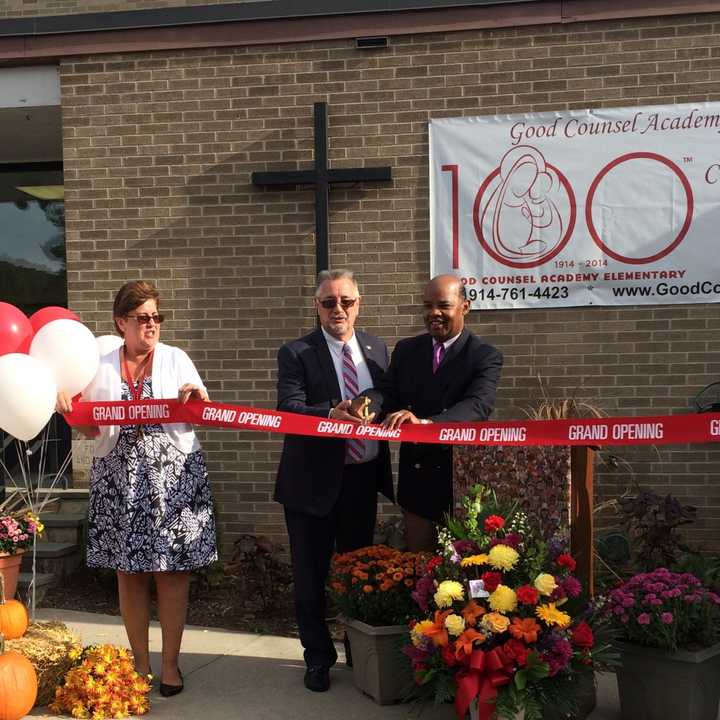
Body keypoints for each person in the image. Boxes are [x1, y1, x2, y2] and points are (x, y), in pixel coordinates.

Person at [56, 280, 216, 697]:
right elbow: (92, 426)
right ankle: (140, 664)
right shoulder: (100, 364)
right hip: (118, 477)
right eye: (142, 318)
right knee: (129, 573)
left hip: (173, 476)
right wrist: (70, 409)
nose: (151, 325)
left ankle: (170, 666)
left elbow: (201, 408)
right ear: (121, 322)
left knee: (172, 572)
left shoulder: (176, 358)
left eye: (156, 317)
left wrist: (195, 396)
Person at [275, 269, 393, 693]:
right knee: (311, 575)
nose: (338, 309)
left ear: (359, 303)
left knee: (358, 573)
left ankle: (357, 653)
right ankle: (318, 658)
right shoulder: (296, 352)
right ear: (317, 306)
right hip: (311, 485)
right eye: (329, 302)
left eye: (346, 301)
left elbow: (385, 394)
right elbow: (288, 408)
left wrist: (372, 402)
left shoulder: (376, 348)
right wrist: (330, 412)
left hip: (362, 478)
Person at [361, 274, 503, 551]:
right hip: (417, 476)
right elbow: (387, 392)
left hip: (461, 475)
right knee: (420, 566)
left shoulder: (484, 355)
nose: (433, 313)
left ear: (465, 306)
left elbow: (478, 405)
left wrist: (426, 423)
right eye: (427, 306)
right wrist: (366, 405)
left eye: (443, 305)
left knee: (464, 571)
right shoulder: (407, 350)